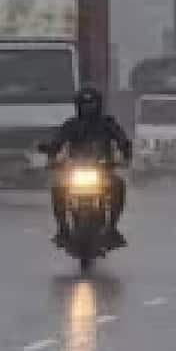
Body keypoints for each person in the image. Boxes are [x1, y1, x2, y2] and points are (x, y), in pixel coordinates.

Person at [44, 86, 132, 248]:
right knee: (57, 187)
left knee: (119, 186)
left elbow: (122, 140)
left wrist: (126, 156)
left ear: (98, 105)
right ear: (78, 105)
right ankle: (63, 229)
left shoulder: (107, 123)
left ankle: (112, 227)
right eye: (84, 104)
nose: (88, 107)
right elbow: (57, 142)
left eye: (91, 103)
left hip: (103, 170)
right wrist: (51, 156)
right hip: (74, 171)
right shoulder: (71, 125)